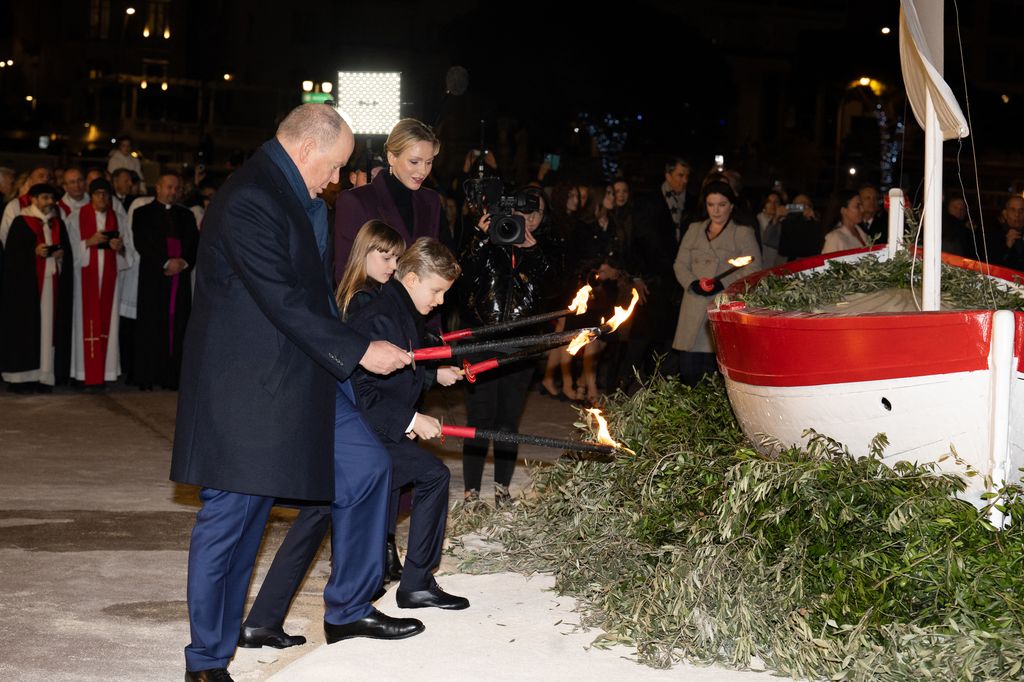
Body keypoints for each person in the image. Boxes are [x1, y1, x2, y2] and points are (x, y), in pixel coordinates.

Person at [170, 103, 419, 682]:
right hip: (251, 391)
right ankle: (206, 661)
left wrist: (351, 349)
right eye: (333, 167)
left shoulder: (299, 194)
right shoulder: (250, 197)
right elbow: (280, 298)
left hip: (307, 373)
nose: (336, 180)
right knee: (234, 522)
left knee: (365, 470)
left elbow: (315, 297)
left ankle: (350, 609)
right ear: (307, 149)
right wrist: (358, 351)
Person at [237, 220, 408, 648]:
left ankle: (264, 620)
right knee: (368, 474)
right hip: (332, 407)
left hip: (334, 405)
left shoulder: (360, 295)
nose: (391, 265)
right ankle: (349, 608)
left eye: (395, 258)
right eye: (383, 256)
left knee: (318, 513)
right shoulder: (358, 299)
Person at [348, 237, 467, 608]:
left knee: (424, 476)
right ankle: (411, 582)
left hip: (381, 429)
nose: (441, 301)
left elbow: (404, 377)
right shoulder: (380, 315)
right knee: (433, 475)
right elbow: (360, 392)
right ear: (412, 279)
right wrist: (411, 418)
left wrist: (409, 418)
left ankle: (400, 579)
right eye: (437, 290)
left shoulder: (403, 313)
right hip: (358, 435)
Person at [459, 186, 552, 505]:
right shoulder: (489, 239)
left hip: (521, 346)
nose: (527, 219)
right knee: (480, 417)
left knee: (508, 420)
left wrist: (535, 252)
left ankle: (502, 489)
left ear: (541, 218)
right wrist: (481, 237)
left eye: (535, 213)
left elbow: (556, 293)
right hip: (480, 343)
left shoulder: (545, 249)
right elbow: (462, 278)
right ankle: (471, 491)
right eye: (522, 213)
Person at [672, 181, 761, 385]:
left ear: (731, 205)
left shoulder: (742, 232)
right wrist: (692, 282)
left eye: (721, 204)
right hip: (693, 308)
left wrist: (725, 283)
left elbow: (754, 268)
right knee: (688, 374)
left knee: (715, 378)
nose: (716, 210)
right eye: (711, 205)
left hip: (720, 306)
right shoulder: (694, 229)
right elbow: (679, 264)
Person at [333, 118, 442, 282]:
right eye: (414, 161)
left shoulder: (431, 200)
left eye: (429, 162)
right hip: (372, 305)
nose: (423, 171)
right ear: (392, 157)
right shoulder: (356, 201)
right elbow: (346, 273)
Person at [0, 184, 73, 393]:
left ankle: (44, 375)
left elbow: (65, 250)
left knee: (47, 330)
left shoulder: (56, 223)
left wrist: (60, 256)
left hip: (51, 285)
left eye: (51, 198)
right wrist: (34, 253)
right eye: (44, 198)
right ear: (33, 199)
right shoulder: (21, 222)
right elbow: (13, 257)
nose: (49, 202)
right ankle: (21, 378)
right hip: (27, 290)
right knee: (27, 330)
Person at [131, 172, 199, 390]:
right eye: (168, 187)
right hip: (155, 278)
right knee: (151, 325)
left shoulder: (186, 216)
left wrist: (184, 262)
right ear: (158, 187)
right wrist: (165, 262)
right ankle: (147, 376)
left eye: (176, 188)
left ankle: (173, 377)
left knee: (178, 326)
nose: (172, 192)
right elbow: (142, 243)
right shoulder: (142, 213)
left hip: (179, 279)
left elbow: (194, 244)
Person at [66, 179, 132, 389]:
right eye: (97, 193)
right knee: (83, 325)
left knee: (108, 325)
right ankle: (83, 373)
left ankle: (105, 372)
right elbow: (68, 252)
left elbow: (128, 253)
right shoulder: (76, 217)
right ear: (90, 195)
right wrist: (88, 243)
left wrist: (118, 248)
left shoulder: (119, 219)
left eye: (106, 194)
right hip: (84, 282)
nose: (102, 198)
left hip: (110, 284)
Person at [1, 166, 53, 244]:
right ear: (30, 181)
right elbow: (5, 236)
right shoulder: (15, 205)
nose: (46, 179)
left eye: (48, 177)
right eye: (41, 176)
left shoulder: (55, 206)